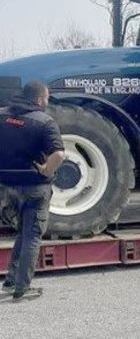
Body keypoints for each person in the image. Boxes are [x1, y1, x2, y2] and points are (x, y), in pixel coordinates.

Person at [0, 81, 65, 301]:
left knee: (23, 232)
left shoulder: (1, 115)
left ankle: (10, 281)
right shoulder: (45, 122)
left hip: (6, 187)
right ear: (39, 99)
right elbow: (59, 155)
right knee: (32, 236)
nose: (47, 101)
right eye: (47, 98)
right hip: (34, 187)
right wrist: (47, 170)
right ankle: (22, 288)